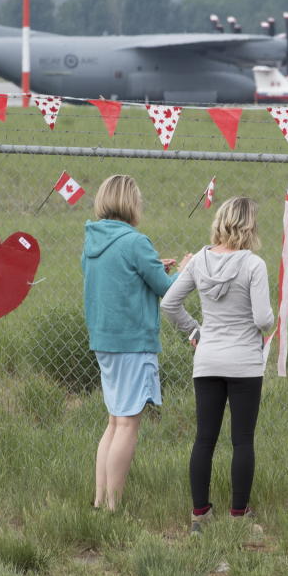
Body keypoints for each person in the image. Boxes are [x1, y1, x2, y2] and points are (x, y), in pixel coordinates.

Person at [160, 196, 274, 534]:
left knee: (204, 439)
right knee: (242, 439)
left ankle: (199, 516)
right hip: (244, 364)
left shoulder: (198, 262)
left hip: (207, 360)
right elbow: (263, 319)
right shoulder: (254, 265)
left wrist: (195, 330)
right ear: (249, 226)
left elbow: (169, 304)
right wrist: (266, 322)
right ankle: (238, 516)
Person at [82, 174, 190, 511]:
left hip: (104, 341)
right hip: (133, 343)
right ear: (132, 204)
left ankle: (100, 501)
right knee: (128, 423)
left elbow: (121, 277)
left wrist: (152, 267)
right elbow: (168, 289)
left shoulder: (92, 241)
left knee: (114, 420)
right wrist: (185, 271)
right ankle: (114, 506)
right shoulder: (136, 242)